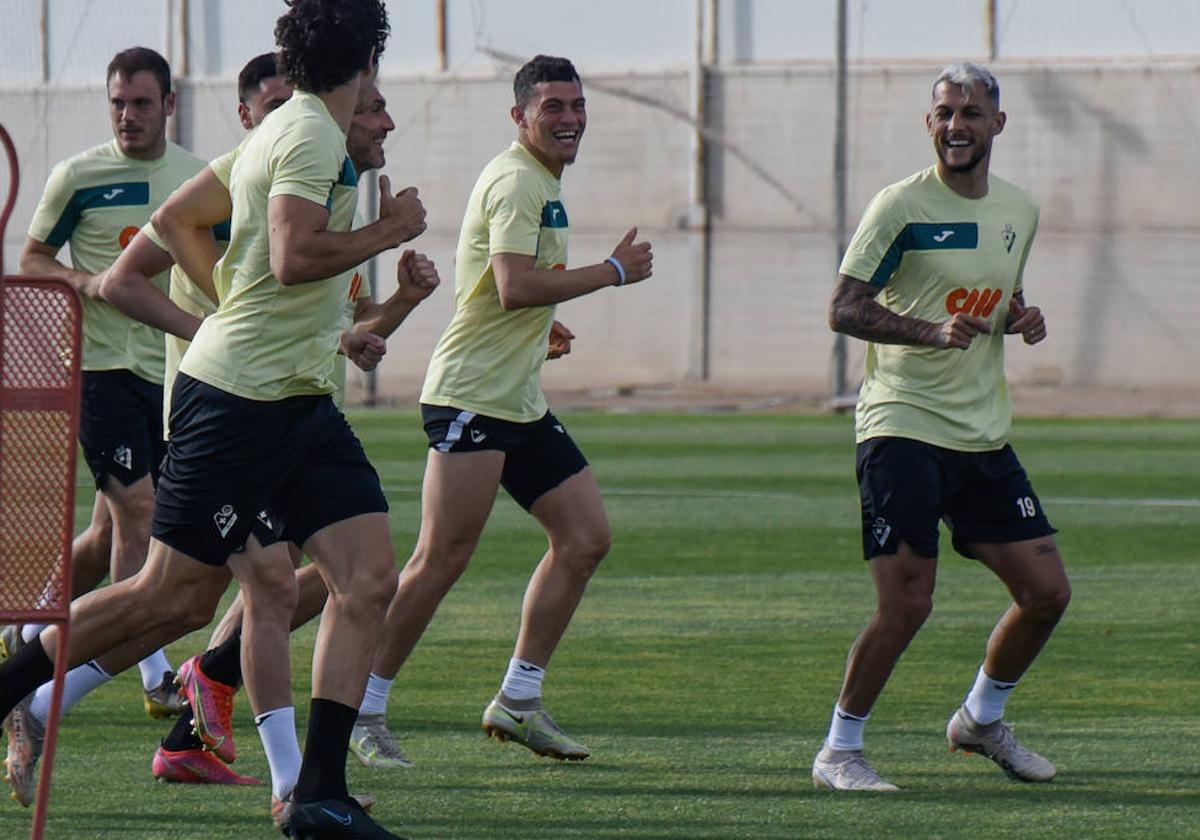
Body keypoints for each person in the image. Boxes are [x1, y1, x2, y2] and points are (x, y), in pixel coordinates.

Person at [0, 2, 424, 836]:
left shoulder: (289, 131)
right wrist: (387, 231)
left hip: (297, 398)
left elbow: (180, 218)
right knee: (172, 597)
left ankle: (318, 798)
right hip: (232, 401)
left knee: (368, 576)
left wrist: (245, 304)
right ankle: (14, 687)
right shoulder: (304, 136)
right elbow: (296, 252)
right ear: (365, 55)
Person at [105, 75, 439, 823]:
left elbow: (340, 325)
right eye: (370, 101)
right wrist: (226, 325)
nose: (378, 117)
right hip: (226, 412)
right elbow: (120, 281)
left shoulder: (328, 184)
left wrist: (400, 302)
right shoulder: (250, 179)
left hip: (292, 410)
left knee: (294, 585)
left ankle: (298, 785)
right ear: (254, 114)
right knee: (186, 591)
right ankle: (41, 679)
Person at [348, 54, 653, 769]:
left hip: (514, 398)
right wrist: (610, 273)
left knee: (584, 539)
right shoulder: (518, 177)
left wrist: (536, 330)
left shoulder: (540, 181)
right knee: (438, 561)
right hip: (471, 398)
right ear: (519, 117)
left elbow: (503, 290)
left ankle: (518, 701)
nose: (569, 118)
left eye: (577, 105)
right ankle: (359, 710)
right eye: (553, 107)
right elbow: (515, 285)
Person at [811, 61, 1071, 792]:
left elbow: (1002, 292)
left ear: (998, 123)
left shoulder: (1020, 208)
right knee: (907, 601)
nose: (956, 126)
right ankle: (840, 751)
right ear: (930, 125)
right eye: (945, 113)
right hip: (902, 425)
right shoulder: (900, 206)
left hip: (982, 432)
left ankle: (980, 720)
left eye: (970, 113)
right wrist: (926, 332)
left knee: (1047, 593)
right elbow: (842, 308)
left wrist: (1021, 318)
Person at [10, 47, 203, 744]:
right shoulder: (79, 175)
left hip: (171, 371)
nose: (128, 116)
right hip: (96, 369)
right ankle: (151, 668)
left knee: (103, 532)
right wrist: (89, 281)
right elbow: (32, 259)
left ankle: (32, 625)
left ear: (169, 105)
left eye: (142, 103)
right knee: (141, 511)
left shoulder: (195, 179)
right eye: (118, 102)